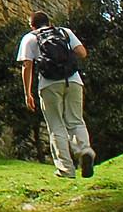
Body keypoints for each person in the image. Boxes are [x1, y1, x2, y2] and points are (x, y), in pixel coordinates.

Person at [17, 11, 94, 178]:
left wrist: (27, 93)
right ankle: (85, 150)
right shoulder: (64, 32)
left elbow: (27, 65)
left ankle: (66, 170)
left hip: (49, 83)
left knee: (56, 126)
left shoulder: (30, 38)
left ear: (32, 25)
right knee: (76, 121)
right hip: (73, 80)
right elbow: (82, 53)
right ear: (49, 22)